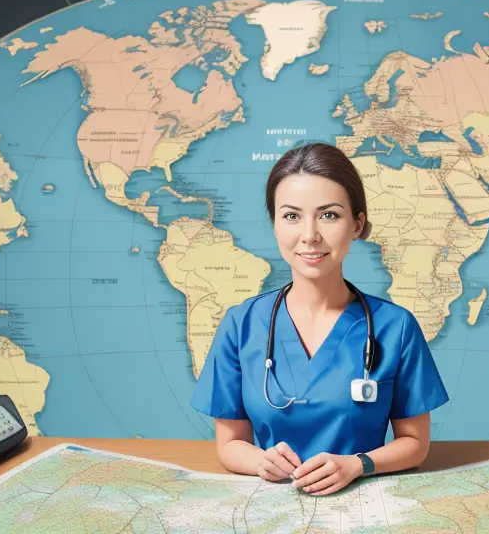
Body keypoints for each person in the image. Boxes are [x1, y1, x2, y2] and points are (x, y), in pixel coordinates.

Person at [190, 142, 449, 496]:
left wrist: (358, 464)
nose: (309, 235)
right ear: (275, 225)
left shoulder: (396, 327)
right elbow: (230, 444)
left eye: (329, 215)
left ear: (357, 225)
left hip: (364, 504)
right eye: (292, 216)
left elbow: (415, 443)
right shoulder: (241, 325)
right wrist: (259, 462)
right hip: (269, 506)